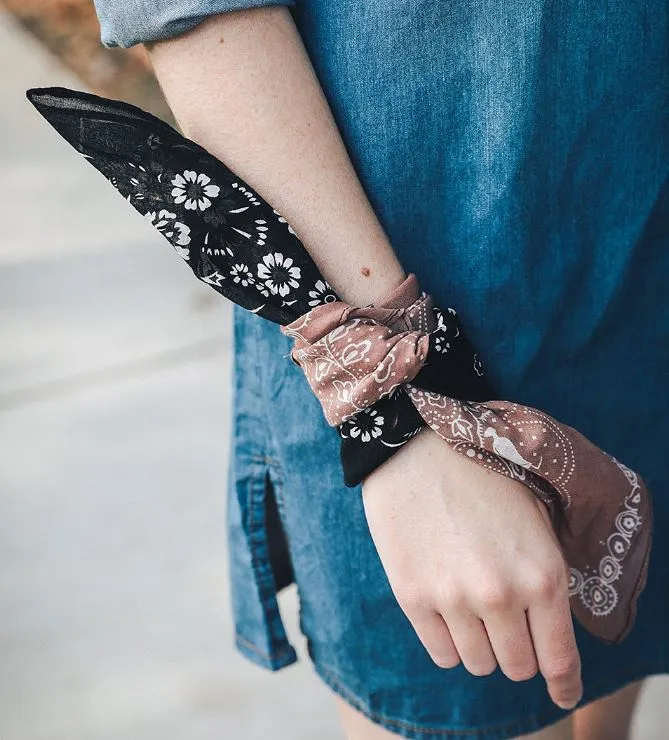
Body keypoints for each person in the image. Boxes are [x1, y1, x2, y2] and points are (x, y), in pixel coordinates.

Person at [89, 2, 669, 739]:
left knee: (610, 675)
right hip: (407, 274)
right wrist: (400, 420)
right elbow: (195, 13)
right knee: (502, 691)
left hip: (636, 276)